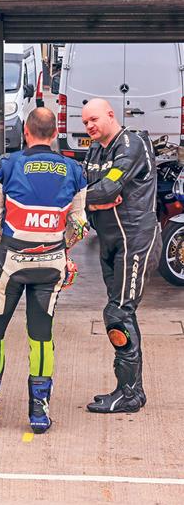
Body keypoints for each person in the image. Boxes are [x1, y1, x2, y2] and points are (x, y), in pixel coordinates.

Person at [0, 107, 87, 434]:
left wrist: (14, 244)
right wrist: (57, 247)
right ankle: (39, 413)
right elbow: (81, 226)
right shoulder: (75, 169)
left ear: (26, 132)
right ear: (55, 134)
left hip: (12, 264)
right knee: (41, 335)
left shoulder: (5, 165)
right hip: (53, 264)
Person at [81, 98, 160, 414]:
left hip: (135, 240)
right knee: (121, 312)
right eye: (85, 122)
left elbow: (109, 189)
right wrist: (93, 200)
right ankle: (131, 391)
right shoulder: (96, 149)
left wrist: (88, 198)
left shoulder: (131, 142)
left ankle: (128, 395)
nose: (89, 126)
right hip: (109, 241)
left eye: (94, 119)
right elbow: (94, 190)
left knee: (118, 313)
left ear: (111, 115)